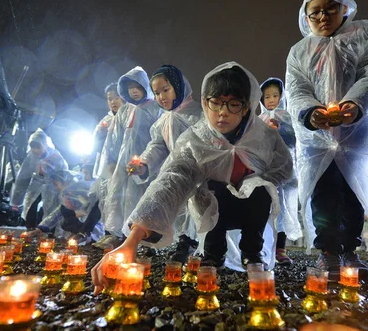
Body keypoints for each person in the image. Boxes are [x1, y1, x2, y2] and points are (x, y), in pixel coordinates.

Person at [91, 62, 293, 293]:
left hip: (252, 210)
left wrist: (250, 181)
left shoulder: (264, 136)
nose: (222, 113)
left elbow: (283, 168)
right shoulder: (196, 139)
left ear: (247, 106)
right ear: (205, 102)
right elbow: (171, 180)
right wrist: (132, 240)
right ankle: (212, 254)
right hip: (215, 209)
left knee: (259, 187)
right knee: (212, 188)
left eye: (233, 105)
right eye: (214, 103)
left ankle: (252, 252)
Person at [285, 0, 368, 282]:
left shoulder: (364, 33)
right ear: (306, 15)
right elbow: (297, 88)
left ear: (345, 7)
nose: (323, 17)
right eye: (315, 12)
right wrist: (310, 113)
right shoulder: (300, 51)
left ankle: (350, 250)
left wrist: (355, 102)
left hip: (358, 135)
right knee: (323, 195)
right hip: (319, 141)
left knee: (354, 193)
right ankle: (328, 251)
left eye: (330, 8)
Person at [129, 65, 202, 263]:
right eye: (157, 93)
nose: (161, 96)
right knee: (178, 205)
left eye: (166, 90)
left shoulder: (198, 113)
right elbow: (157, 146)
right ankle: (182, 240)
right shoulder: (163, 121)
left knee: (196, 206)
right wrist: (143, 164)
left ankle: (192, 242)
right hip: (177, 170)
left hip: (200, 170)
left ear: (178, 87)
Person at [102, 66, 159, 239]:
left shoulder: (155, 108)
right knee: (122, 197)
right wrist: (112, 160)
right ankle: (122, 235)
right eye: (130, 87)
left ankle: (146, 239)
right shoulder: (125, 111)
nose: (134, 91)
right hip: (123, 163)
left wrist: (148, 163)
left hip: (147, 163)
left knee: (146, 199)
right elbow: (114, 139)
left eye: (137, 86)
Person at [259, 77, 302, 265]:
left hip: (286, 171)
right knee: (263, 207)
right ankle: (262, 247)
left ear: (282, 96)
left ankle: (281, 249)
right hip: (265, 171)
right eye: (267, 96)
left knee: (284, 210)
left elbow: (295, 139)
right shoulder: (259, 119)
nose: (271, 99)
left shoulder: (288, 116)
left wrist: (281, 128)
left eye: (275, 95)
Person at [10, 128, 68, 229]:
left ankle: (45, 230)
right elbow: (23, 175)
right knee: (30, 205)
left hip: (52, 186)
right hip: (36, 184)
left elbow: (63, 175)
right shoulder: (31, 156)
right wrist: (16, 199)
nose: (35, 150)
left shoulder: (56, 156)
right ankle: (30, 228)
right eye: (33, 147)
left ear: (45, 145)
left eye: (38, 147)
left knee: (49, 208)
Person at [26, 170, 102, 241]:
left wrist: (79, 235)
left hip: (90, 235)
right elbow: (57, 213)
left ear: (65, 181)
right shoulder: (67, 196)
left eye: (56, 184)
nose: (56, 187)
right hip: (76, 234)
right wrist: (40, 229)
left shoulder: (83, 195)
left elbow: (88, 219)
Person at [93, 83, 125, 178]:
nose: (113, 102)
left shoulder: (129, 117)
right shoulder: (106, 120)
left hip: (122, 164)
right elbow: (96, 147)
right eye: (110, 99)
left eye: (116, 98)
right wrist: (100, 134)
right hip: (106, 166)